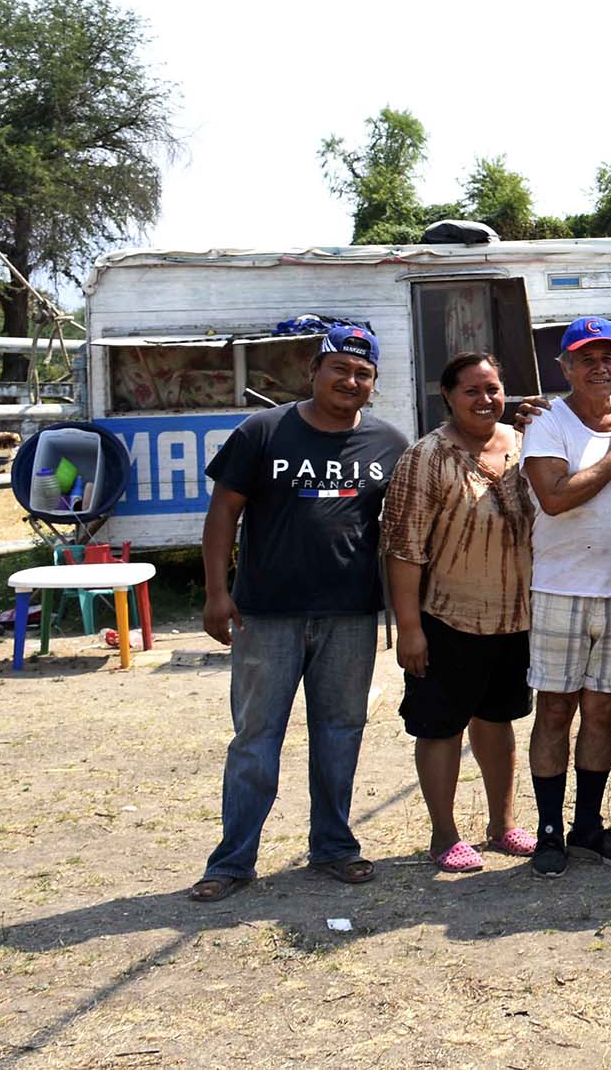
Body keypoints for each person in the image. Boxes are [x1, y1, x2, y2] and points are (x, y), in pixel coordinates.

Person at [189, 324, 410, 902]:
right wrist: (217, 591)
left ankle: (334, 846)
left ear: (374, 384)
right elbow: (222, 514)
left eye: (363, 374)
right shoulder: (262, 431)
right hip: (268, 615)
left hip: (351, 617)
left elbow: (407, 528)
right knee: (256, 738)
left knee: (340, 733)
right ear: (314, 370)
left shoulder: (389, 443)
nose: (351, 380)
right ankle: (232, 861)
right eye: (340, 369)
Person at [381, 352, 536, 872]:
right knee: (440, 726)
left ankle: (503, 824)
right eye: (471, 390)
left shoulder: (522, 445)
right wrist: (409, 630)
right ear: (447, 396)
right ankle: (444, 835)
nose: (485, 399)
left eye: (492, 388)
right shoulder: (427, 456)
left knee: (497, 721)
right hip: (446, 618)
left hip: (514, 619)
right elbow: (403, 549)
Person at [518, 316, 611, 877]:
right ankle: (550, 832)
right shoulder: (549, 420)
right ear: (565, 366)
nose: (599, 366)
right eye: (586, 357)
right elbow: (552, 499)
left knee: (601, 714)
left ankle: (588, 827)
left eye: (608, 356)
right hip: (559, 589)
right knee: (554, 711)